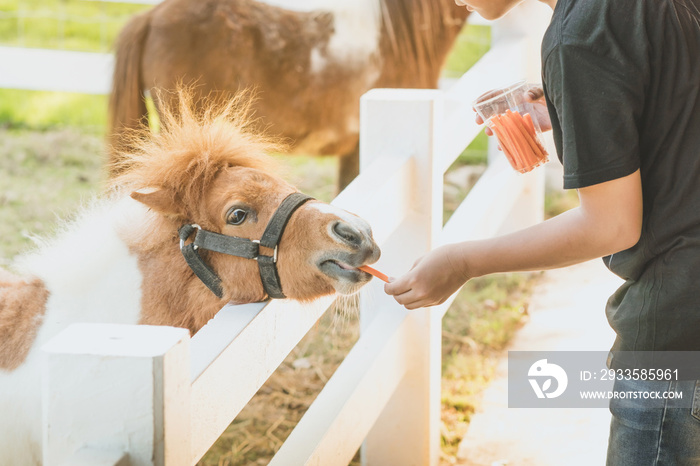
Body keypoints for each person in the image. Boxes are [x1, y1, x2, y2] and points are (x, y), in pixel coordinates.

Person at [385, 0, 700, 464]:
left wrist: (463, 261)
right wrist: (578, 103)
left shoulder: (578, 38)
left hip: (678, 328)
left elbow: (610, 224)